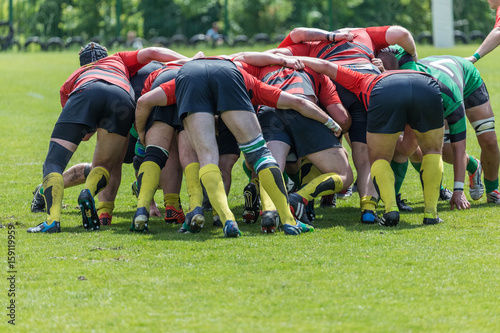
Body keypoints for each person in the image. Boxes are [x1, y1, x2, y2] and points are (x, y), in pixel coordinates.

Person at [136, 56, 338, 236]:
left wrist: (142, 133)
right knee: (259, 153)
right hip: (229, 75)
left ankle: (228, 220)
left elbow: (144, 100)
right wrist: (331, 123)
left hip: (191, 77)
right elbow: (298, 102)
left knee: (207, 157)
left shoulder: (183, 75)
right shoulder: (246, 78)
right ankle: (288, 220)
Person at [27, 42, 189, 233]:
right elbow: (153, 51)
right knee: (111, 164)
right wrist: (191, 61)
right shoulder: (118, 59)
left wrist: (95, 119)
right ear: (106, 56)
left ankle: (54, 221)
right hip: (121, 96)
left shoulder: (73, 79)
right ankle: (89, 192)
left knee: (55, 161)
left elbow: (85, 136)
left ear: (82, 64)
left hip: (88, 92)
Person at [271, 25, 418, 224]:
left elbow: (281, 49)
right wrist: (413, 56)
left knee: (317, 148)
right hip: (366, 82)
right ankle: (368, 209)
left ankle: (306, 204)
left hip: (331, 82)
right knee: (366, 156)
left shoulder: (312, 43)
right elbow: (402, 34)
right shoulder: (363, 33)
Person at [297, 55, 445, 226]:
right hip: (426, 84)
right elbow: (406, 148)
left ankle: (390, 211)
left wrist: (290, 59)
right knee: (433, 152)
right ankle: (431, 214)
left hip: (384, 89)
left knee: (379, 158)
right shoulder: (407, 71)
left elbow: (325, 66)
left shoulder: (362, 78)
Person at [234, 52, 352, 232]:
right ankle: (299, 198)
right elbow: (342, 118)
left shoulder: (260, 67)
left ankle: (268, 213)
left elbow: (238, 59)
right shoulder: (314, 70)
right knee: (344, 175)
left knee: (270, 167)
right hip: (305, 111)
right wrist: (334, 128)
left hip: (269, 112)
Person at [381, 46, 500, 206]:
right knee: (436, 148)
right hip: (428, 86)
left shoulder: (451, 99)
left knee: (488, 140)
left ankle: (493, 190)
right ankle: (472, 165)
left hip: (466, 79)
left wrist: (458, 191)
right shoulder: (403, 82)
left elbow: (460, 147)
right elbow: (394, 43)